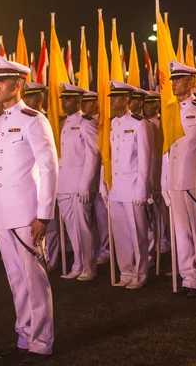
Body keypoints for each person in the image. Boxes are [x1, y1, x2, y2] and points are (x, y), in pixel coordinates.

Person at [0, 55, 58, 364]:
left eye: (1, 81)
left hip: (27, 213)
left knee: (35, 279)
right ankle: (24, 335)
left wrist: (44, 214)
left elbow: (49, 168)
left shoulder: (33, 119)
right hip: (3, 211)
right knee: (16, 279)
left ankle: (42, 342)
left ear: (18, 85)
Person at [161, 60, 196, 298]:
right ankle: (187, 277)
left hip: (194, 180)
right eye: (173, 79)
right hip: (175, 180)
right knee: (181, 232)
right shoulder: (170, 110)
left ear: (191, 82)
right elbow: (166, 150)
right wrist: (164, 181)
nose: (174, 83)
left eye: (178, 79)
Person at [100, 81, 150, 289]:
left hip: (133, 187)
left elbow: (145, 159)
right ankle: (126, 271)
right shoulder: (111, 124)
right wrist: (105, 184)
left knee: (137, 233)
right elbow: (108, 157)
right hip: (116, 188)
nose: (112, 100)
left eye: (117, 97)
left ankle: (140, 273)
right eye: (111, 97)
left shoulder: (139, 123)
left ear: (127, 100)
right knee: (120, 235)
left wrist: (142, 189)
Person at [56, 83, 99, 281]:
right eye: (63, 99)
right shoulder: (63, 123)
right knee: (71, 228)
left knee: (83, 227)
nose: (65, 102)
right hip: (64, 184)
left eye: (69, 99)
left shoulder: (86, 122)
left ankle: (89, 267)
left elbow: (92, 155)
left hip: (79, 184)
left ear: (79, 101)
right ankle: (78, 264)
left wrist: (85, 184)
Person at [23, 82, 60, 272]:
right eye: (26, 96)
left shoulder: (47, 118)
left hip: (49, 179)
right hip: (34, 182)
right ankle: (47, 260)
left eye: (31, 96)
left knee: (51, 226)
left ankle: (51, 259)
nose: (27, 100)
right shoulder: (25, 119)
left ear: (41, 98)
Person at [81, 90, 110, 265]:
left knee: (102, 217)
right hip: (91, 177)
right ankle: (101, 249)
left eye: (86, 102)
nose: (83, 106)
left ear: (94, 104)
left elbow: (95, 154)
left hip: (99, 176)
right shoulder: (88, 122)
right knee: (96, 218)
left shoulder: (93, 123)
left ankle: (105, 250)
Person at [142, 90, 171, 261]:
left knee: (163, 211)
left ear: (157, 105)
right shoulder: (142, 123)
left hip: (161, 170)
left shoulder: (163, 123)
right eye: (145, 104)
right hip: (149, 172)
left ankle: (165, 240)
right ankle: (155, 243)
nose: (147, 107)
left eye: (151, 103)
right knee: (150, 213)